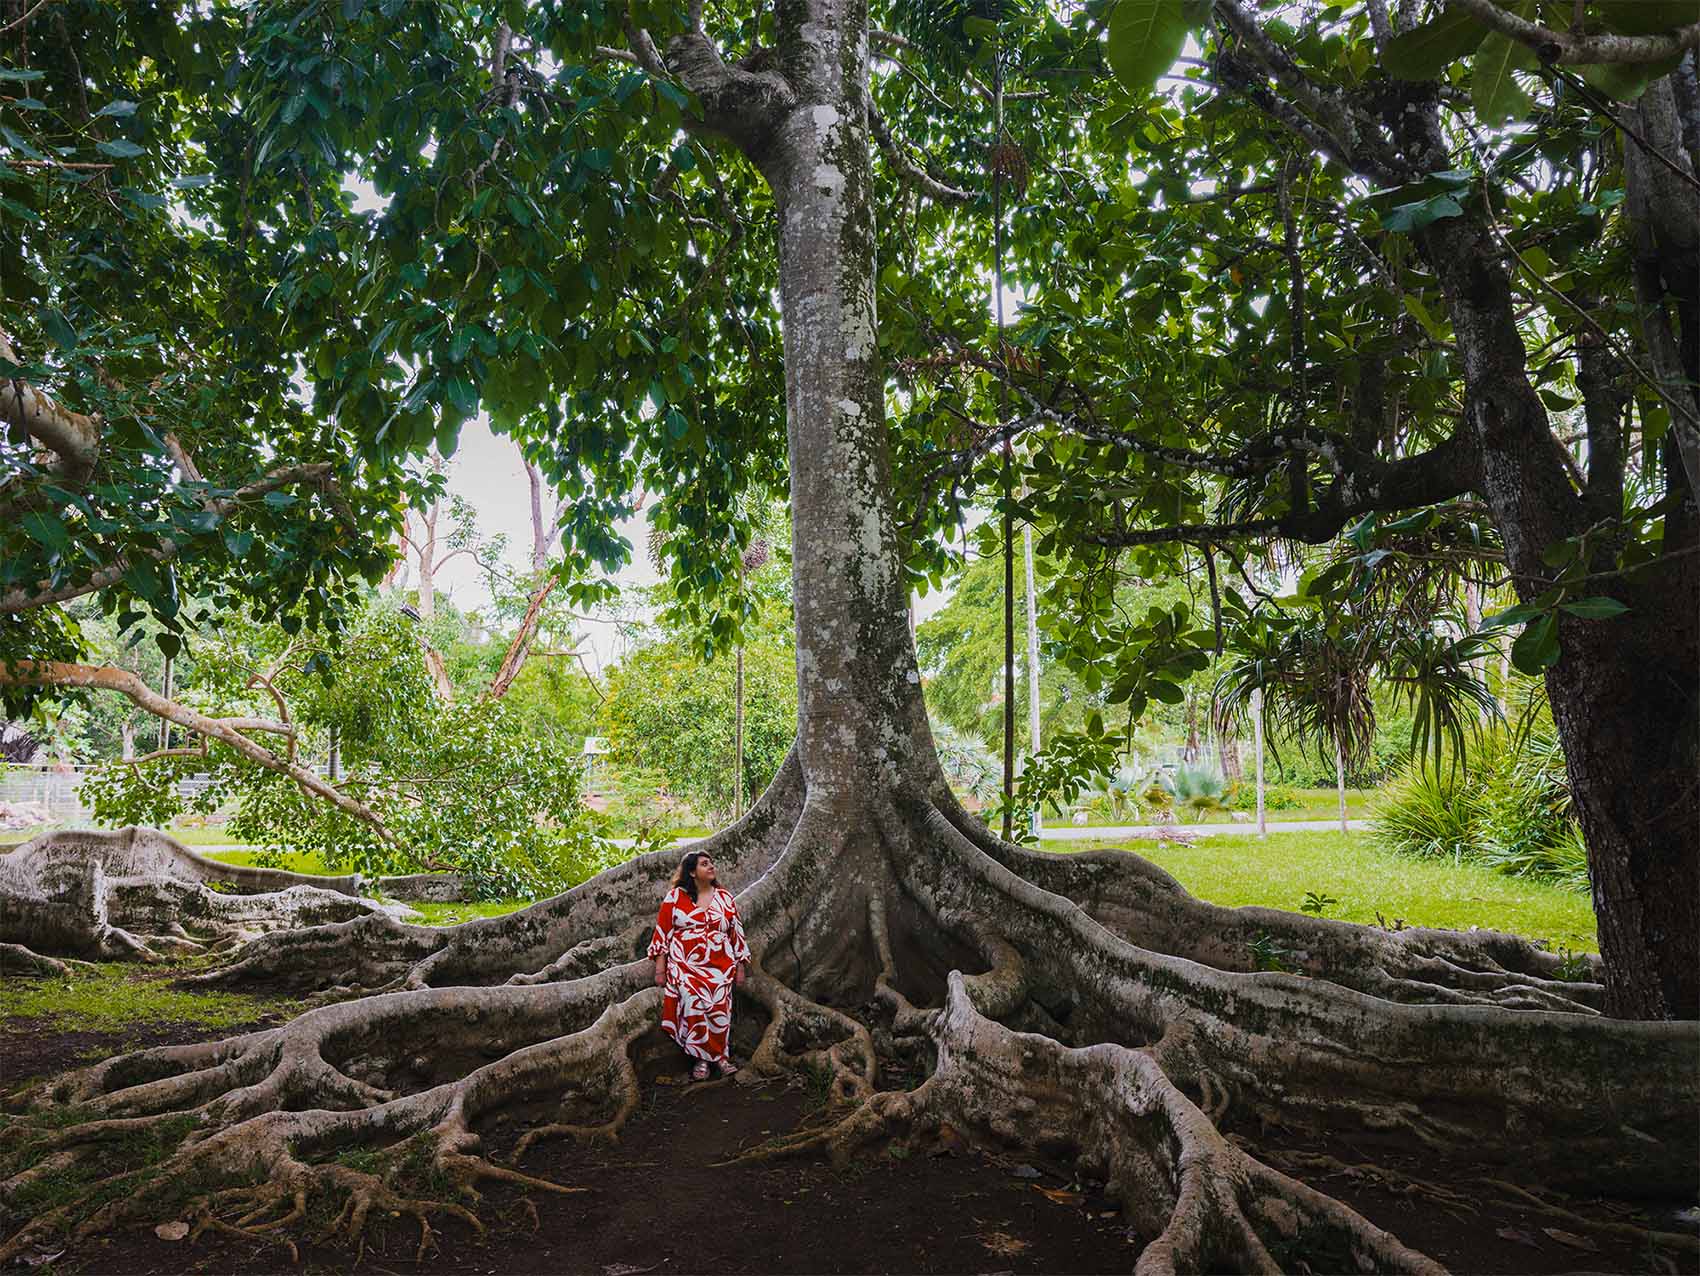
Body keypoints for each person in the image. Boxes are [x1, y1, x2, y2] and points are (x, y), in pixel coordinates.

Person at [648, 850, 750, 1081]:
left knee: (720, 1007)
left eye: (711, 863)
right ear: (692, 872)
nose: (711, 867)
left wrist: (740, 966)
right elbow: (662, 933)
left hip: (721, 965)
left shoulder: (724, 897)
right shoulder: (675, 897)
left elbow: (736, 934)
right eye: (705, 864)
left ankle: (721, 1057)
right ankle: (702, 1058)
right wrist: (660, 968)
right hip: (686, 965)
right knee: (694, 1002)